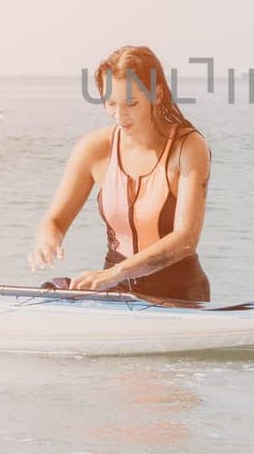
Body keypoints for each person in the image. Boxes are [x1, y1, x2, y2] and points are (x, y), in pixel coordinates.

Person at [30, 45, 212, 301]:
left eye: (131, 103)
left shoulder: (189, 147)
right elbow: (54, 222)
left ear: (156, 94)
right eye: (110, 103)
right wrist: (47, 242)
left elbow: (187, 239)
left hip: (178, 294)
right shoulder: (94, 148)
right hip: (114, 292)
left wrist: (119, 272)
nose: (119, 115)